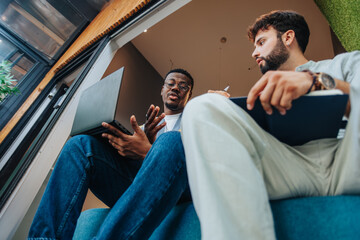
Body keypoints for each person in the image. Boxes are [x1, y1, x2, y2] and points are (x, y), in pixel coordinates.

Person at [181, 10, 360, 239]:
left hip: (348, 156)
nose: (254, 52)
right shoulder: (262, 93)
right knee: (202, 107)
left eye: (261, 42)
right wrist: (228, 113)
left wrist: (314, 81)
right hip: (290, 165)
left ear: (288, 38)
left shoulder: (346, 62)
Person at [28, 68, 194, 240]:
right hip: (140, 183)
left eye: (183, 86)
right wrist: (138, 149)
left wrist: (148, 151)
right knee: (79, 145)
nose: (175, 88)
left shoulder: (194, 121)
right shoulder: (144, 129)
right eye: (171, 83)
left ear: (189, 95)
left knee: (171, 141)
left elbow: (197, 167)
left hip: (181, 186)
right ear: (162, 89)